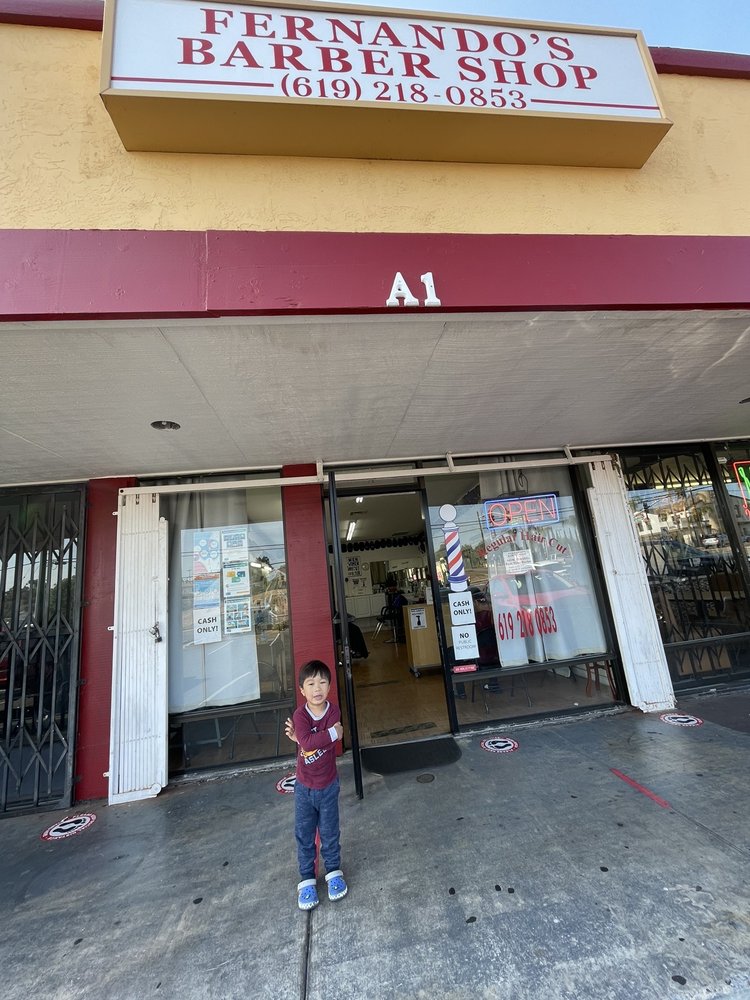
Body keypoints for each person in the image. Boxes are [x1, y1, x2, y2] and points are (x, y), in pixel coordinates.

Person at [284, 660, 348, 910]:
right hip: (304, 787)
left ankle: (333, 872)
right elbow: (311, 743)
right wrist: (331, 734)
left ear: (330, 686)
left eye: (322, 682)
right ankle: (307, 879)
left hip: (328, 785)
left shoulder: (333, 712)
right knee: (304, 834)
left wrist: (307, 739)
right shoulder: (300, 715)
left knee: (330, 833)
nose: (317, 688)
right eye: (311, 684)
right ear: (302, 690)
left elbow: (310, 741)